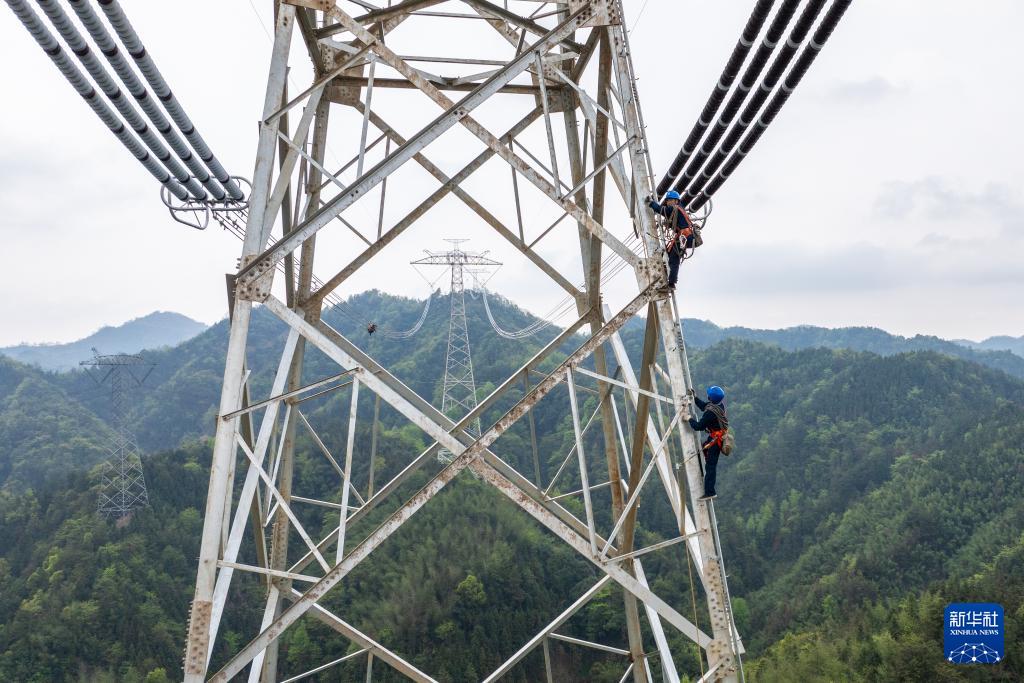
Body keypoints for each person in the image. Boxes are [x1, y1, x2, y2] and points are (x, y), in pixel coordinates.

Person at [647, 190, 694, 291]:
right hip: (685, 236)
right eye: (667, 200)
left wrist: (651, 202)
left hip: (684, 236)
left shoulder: (674, 208)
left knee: (674, 258)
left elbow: (661, 210)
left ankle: (671, 284)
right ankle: (668, 274)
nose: (668, 202)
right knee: (669, 254)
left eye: (670, 200)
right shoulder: (679, 209)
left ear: (676, 201)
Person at [689, 385, 727, 500]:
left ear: (710, 398)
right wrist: (695, 398)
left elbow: (698, 426)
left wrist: (689, 419)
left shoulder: (710, 413)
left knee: (711, 466)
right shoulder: (718, 406)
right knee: (704, 450)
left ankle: (710, 492)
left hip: (716, 441)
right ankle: (701, 468)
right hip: (715, 438)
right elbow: (705, 406)